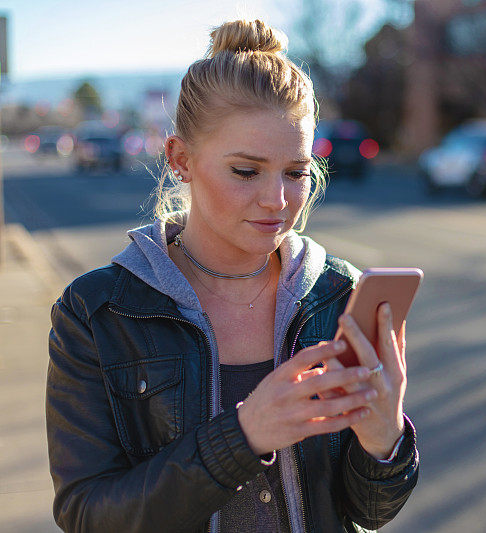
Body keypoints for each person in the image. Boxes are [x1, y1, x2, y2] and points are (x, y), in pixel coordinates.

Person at [45, 18, 419, 533]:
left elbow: (369, 512)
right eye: (246, 171)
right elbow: (87, 516)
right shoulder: (97, 313)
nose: (278, 200)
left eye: (297, 171)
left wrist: (384, 442)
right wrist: (243, 435)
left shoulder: (338, 295)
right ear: (180, 160)